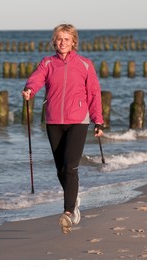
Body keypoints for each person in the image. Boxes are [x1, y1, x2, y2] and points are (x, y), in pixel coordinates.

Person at [21, 23, 104, 234]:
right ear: (54, 41)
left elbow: (94, 93)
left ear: (73, 42)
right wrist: (30, 89)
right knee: (60, 169)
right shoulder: (48, 63)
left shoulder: (85, 64)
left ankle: (69, 212)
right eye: (59, 38)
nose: (62, 42)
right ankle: (74, 198)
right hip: (53, 121)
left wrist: (98, 120)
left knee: (70, 166)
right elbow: (37, 78)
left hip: (78, 120)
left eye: (67, 39)